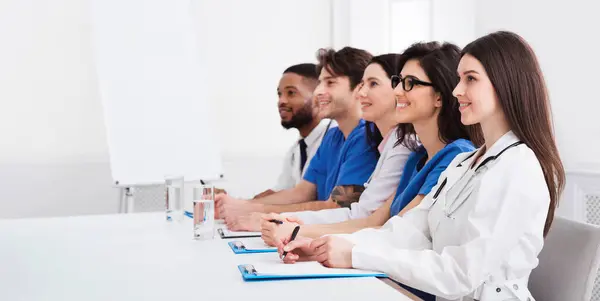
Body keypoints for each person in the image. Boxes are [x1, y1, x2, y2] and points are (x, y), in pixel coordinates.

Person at [279, 31, 565, 301]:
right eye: (458, 79)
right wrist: (326, 245)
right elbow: (407, 232)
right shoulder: (464, 163)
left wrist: (354, 254)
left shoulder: (518, 167)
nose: (457, 91)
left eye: (470, 79)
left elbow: (461, 274)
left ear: (506, 84)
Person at [262, 42, 479, 254]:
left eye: (410, 83)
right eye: (398, 81)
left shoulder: (451, 155)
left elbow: (389, 229)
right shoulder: (414, 158)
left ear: (440, 96)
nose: (398, 91)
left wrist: (299, 232)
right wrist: (297, 231)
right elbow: (374, 221)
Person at [229, 54, 413, 232]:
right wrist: (248, 208)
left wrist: (274, 219)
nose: (318, 92)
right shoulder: (334, 136)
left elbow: (353, 212)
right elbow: (302, 193)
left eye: (330, 82)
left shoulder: (374, 140)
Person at [254, 63, 332, 199]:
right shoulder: (296, 150)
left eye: (291, 93)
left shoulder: (334, 138)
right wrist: (230, 203)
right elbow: (280, 193)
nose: (281, 101)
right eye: (279, 94)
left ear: (318, 96)